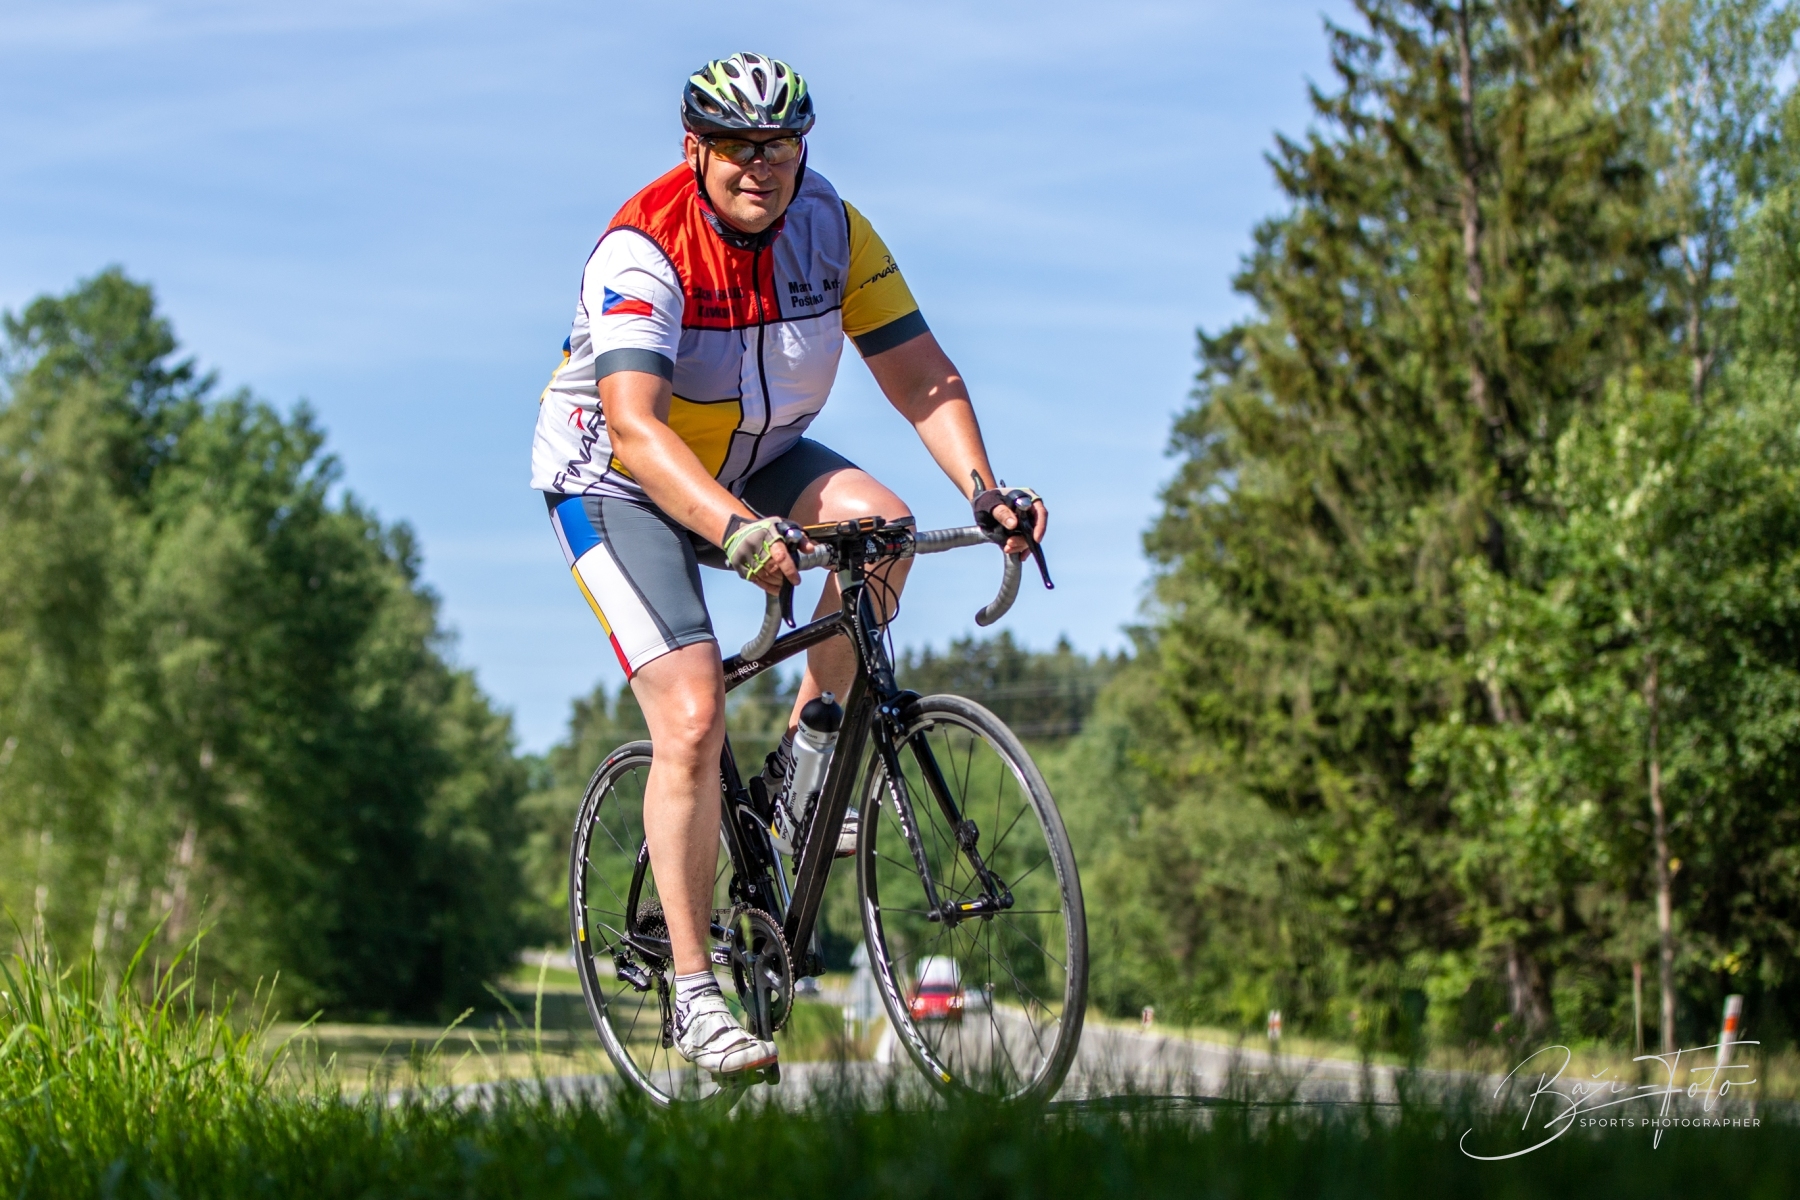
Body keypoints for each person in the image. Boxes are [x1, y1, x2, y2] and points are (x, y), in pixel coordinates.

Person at [531, 52, 1048, 1080]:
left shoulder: (834, 230)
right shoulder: (644, 248)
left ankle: (805, 771)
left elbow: (922, 375)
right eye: (736, 145)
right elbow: (636, 429)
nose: (759, 165)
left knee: (883, 530)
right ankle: (695, 996)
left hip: (753, 459)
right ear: (695, 148)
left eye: (780, 145)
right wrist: (737, 531)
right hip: (618, 481)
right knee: (692, 715)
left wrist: (985, 490)